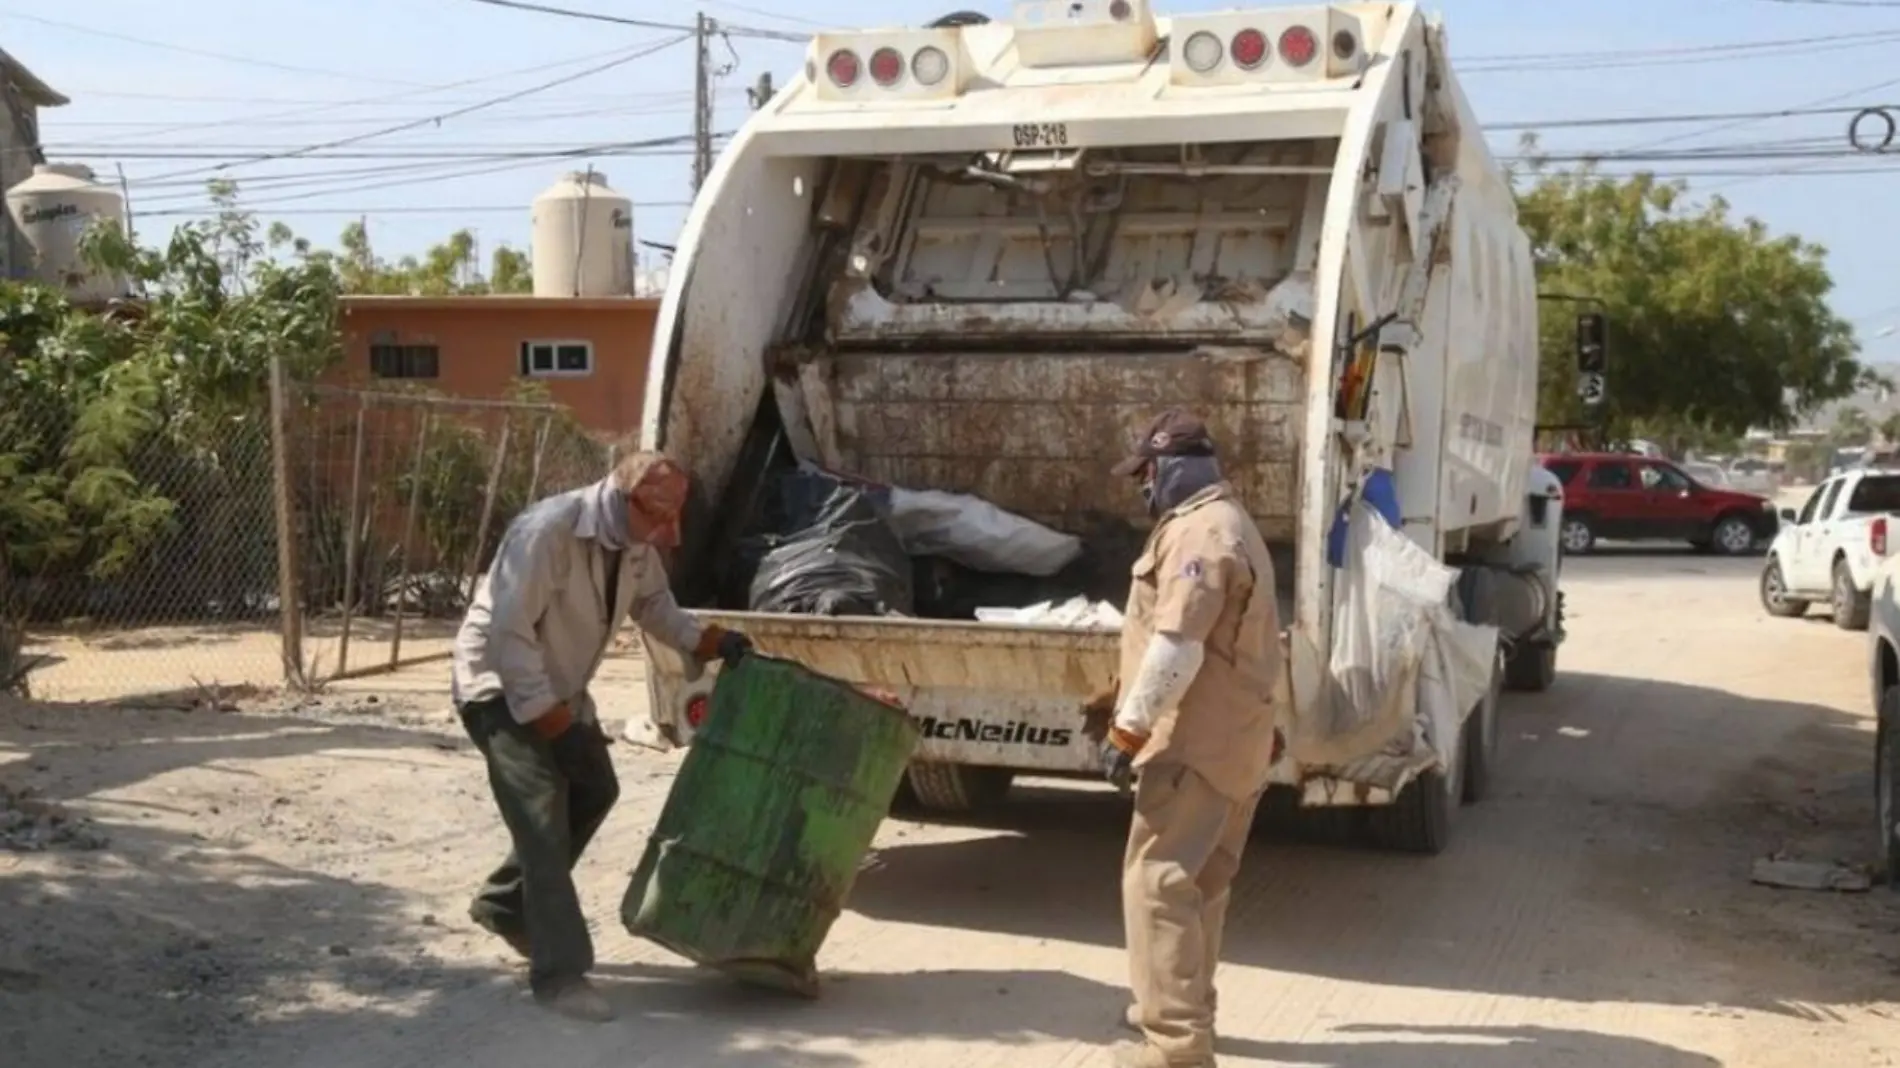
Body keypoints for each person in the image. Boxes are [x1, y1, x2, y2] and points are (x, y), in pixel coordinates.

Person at [450, 450, 752, 1022]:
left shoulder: (635, 540)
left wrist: (707, 640)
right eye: (660, 514)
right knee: (541, 807)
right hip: (497, 685)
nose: (670, 529)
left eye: (676, 513)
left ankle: (506, 906)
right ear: (623, 496)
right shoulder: (546, 532)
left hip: (557, 686)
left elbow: (654, 603)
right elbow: (508, 638)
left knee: (596, 789)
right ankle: (560, 973)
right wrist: (548, 722)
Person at [1094, 410, 1284, 1068]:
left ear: (1169, 466)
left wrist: (1126, 732)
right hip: (1237, 742)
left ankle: (1174, 1049)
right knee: (1202, 886)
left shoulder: (1198, 534)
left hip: (1193, 747)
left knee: (1158, 885)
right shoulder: (1232, 522)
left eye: (1145, 474)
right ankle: (1184, 1014)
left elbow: (1178, 647)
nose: (1142, 489)